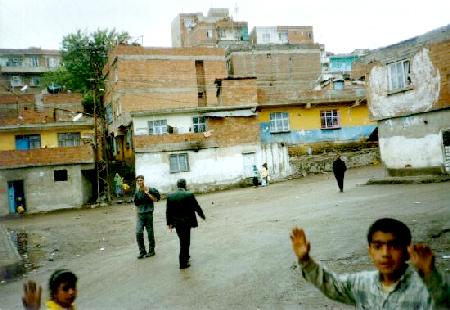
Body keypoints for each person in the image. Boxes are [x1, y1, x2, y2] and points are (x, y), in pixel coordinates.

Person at [290, 218, 450, 309]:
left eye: (393, 246)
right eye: (378, 246)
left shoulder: (426, 288)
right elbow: (331, 285)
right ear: (370, 250)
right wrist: (305, 260)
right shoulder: (362, 284)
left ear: (407, 250)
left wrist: (430, 274)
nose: (385, 254)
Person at [166, 179, 206, 269]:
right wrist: (202, 215)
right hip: (187, 222)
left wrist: (169, 223)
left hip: (177, 223)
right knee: (184, 242)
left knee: (183, 240)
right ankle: (183, 263)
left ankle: (186, 257)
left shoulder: (170, 196)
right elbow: (196, 207)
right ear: (185, 185)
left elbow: (168, 211)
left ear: (177, 185)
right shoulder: (189, 194)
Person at [134, 175, 160, 259]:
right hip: (140, 215)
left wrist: (148, 193)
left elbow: (156, 199)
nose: (139, 182)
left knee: (150, 233)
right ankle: (142, 251)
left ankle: (151, 251)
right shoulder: (137, 192)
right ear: (136, 182)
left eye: (141, 180)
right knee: (138, 232)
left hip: (148, 214)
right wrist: (137, 214)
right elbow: (136, 204)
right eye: (138, 181)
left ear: (143, 181)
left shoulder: (150, 189)